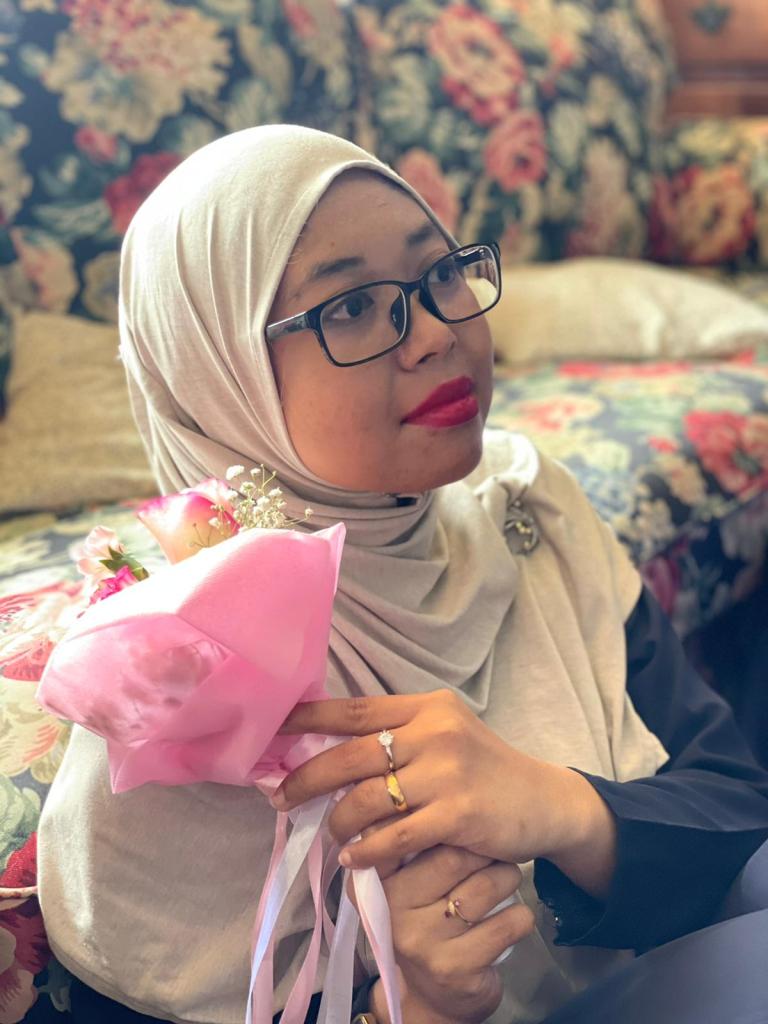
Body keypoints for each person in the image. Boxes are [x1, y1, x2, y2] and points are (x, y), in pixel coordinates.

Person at [37, 125, 768, 1024]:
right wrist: (412, 1003)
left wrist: (566, 808)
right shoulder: (182, 669)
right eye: (350, 306)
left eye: (442, 273)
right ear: (216, 375)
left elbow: (738, 805)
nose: (434, 333)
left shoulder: (525, 509)